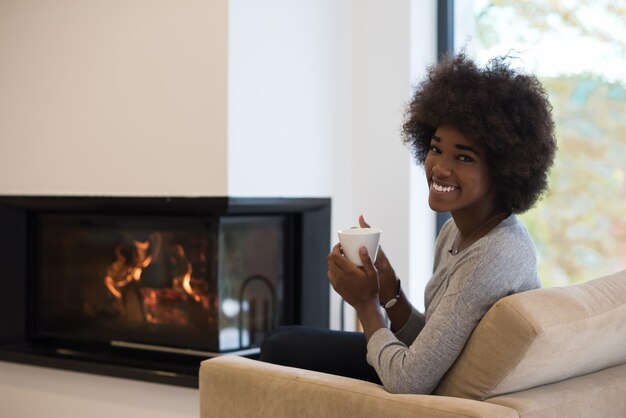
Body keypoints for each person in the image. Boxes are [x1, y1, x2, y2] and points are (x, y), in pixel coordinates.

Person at [261, 52, 557, 394]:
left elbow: (411, 379)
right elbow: (433, 348)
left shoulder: (494, 255)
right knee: (282, 341)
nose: (440, 168)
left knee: (279, 348)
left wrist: (366, 306)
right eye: (435, 149)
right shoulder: (456, 232)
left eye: (464, 157)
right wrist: (390, 293)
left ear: (504, 170)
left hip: (432, 397)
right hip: (434, 379)